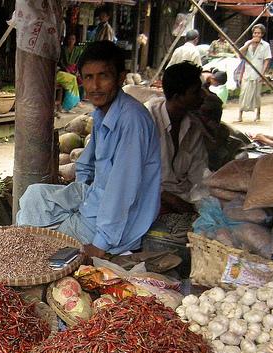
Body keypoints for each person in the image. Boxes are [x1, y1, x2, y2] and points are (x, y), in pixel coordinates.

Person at [17, 41, 161, 257]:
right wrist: (79, 193)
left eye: (103, 76)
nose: (95, 86)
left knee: (38, 246)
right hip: (94, 198)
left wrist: (100, 245)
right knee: (33, 196)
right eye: (89, 77)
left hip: (114, 222)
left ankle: (29, 257)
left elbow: (122, 190)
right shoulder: (104, 112)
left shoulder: (131, 120)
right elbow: (87, 162)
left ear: (121, 78)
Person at [146, 62, 208, 214]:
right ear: (177, 97)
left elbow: (199, 173)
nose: (203, 95)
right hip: (150, 195)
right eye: (196, 91)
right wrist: (171, 199)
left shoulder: (193, 127)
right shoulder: (147, 120)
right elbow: (135, 174)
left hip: (182, 197)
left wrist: (204, 204)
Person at [238, 24, 271, 122]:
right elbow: (240, 53)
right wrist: (249, 44)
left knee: (257, 95)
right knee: (243, 93)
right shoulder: (248, 43)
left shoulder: (265, 45)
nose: (256, 35)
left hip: (258, 72)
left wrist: (262, 73)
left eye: (259, 33)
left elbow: (266, 60)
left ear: (262, 34)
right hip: (247, 72)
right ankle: (240, 114)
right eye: (255, 33)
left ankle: (258, 114)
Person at [60, 33, 84, 97]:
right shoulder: (63, 49)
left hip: (75, 68)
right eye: (69, 39)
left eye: (73, 39)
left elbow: (79, 62)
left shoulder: (78, 50)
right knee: (70, 79)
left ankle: (78, 98)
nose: (71, 41)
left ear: (75, 40)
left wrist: (76, 71)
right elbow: (61, 61)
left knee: (80, 80)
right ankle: (68, 97)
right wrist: (66, 69)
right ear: (67, 40)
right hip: (65, 69)